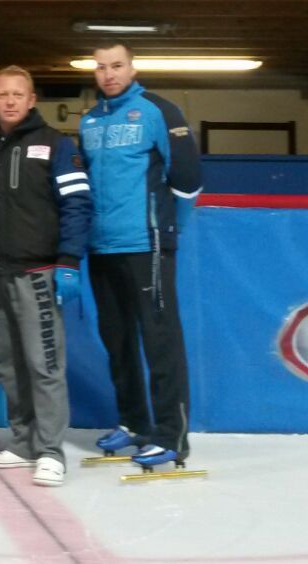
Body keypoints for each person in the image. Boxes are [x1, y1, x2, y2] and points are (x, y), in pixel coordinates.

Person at [79, 42, 202, 468]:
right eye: (101, 67)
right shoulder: (90, 120)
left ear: (132, 68)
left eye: (117, 66)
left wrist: (169, 230)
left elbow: (188, 177)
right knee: (118, 342)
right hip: (102, 247)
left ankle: (171, 435)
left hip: (146, 245)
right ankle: (134, 423)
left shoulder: (158, 111)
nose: (109, 74)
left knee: (159, 341)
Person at [0, 66, 91, 488]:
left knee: (44, 364)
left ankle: (51, 450)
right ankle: (23, 441)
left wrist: (68, 260)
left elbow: (77, 203)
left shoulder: (56, 144)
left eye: (17, 94)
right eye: (2, 94)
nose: (9, 101)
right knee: (6, 363)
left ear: (31, 99)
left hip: (37, 272)